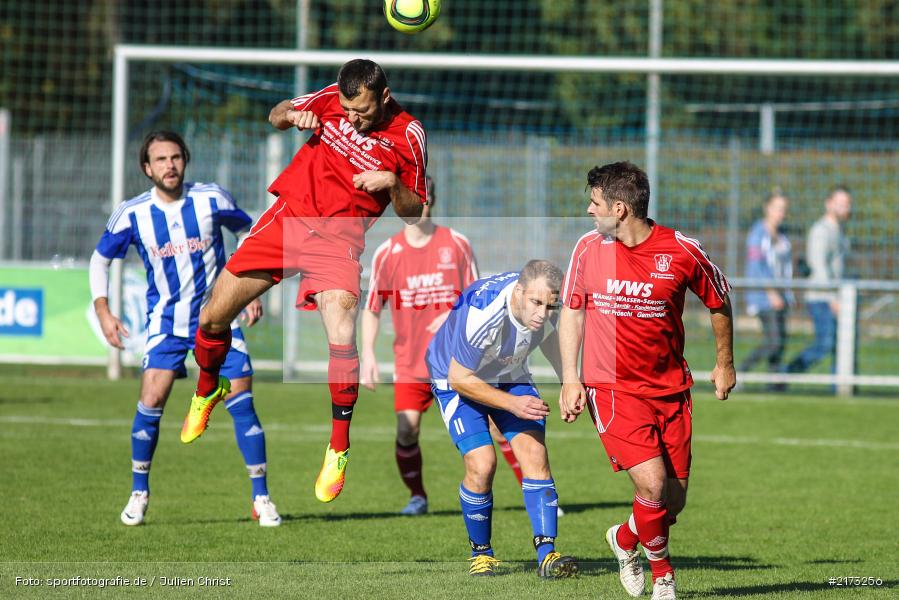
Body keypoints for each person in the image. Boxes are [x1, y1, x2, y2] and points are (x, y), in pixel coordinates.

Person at [180, 59, 429, 504]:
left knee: (341, 333)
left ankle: (338, 446)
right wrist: (293, 116)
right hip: (289, 220)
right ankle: (207, 387)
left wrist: (391, 183)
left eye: (364, 113)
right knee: (212, 317)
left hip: (338, 242)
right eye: (349, 110)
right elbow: (276, 113)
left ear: (385, 98)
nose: (353, 119)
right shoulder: (331, 98)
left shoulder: (409, 134)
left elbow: (414, 212)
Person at [558, 162, 735, 599]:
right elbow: (572, 311)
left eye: (594, 203)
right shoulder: (588, 248)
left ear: (619, 209)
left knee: (672, 502)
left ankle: (624, 539)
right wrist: (569, 377)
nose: (588, 210)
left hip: (671, 388)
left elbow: (720, 300)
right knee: (652, 485)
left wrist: (724, 363)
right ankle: (665, 579)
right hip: (611, 387)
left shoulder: (682, 250)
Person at [90, 131, 281, 527]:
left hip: (219, 316)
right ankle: (139, 492)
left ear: (185, 160)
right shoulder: (132, 213)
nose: (169, 165)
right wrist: (104, 310)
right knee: (152, 398)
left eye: (175, 157)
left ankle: (262, 498)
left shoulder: (212, 199)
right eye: (160, 159)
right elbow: (100, 260)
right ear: (147, 168)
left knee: (242, 399)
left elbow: (248, 233)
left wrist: (250, 289)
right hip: (165, 323)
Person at [426, 261, 578, 579]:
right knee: (482, 464)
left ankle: (547, 555)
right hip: (455, 377)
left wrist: (569, 380)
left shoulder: (546, 305)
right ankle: (482, 555)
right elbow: (460, 378)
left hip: (509, 373)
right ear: (519, 292)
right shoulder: (485, 312)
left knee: (535, 455)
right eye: (536, 303)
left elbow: (550, 337)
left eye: (550, 306)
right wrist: (512, 404)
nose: (543, 313)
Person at [360, 176, 480, 515]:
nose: (418, 208)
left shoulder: (456, 244)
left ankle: (535, 488)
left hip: (458, 363)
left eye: (424, 200)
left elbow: (477, 299)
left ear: (433, 201)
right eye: (411, 201)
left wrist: (450, 317)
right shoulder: (387, 253)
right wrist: (368, 354)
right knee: (406, 430)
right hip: (411, 364)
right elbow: (371, 310)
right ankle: (418, 497)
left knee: (496, 430)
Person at [784, 186, 852, 376]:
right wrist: (833, 298)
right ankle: (786, 373)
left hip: (835, 298)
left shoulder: (839, 230)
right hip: (822, 298)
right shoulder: (821, 230)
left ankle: (839, 386)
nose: (845, 208)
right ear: (829, 204)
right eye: (841, 204)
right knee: (826, 343)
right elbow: (819, 266)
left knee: (840, 345)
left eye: (847, 204)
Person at [739, 190, 793, 378]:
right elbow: (756, 265)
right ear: (767, 208)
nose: (781, 213)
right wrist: (771, 292)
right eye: (777, 208)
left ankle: (775, 384)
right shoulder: (758, 233)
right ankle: (740, 371)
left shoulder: (783, 235)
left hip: (781, 296)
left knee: (780, 343)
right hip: (764, 297)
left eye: (784, 209)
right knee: (774, 342)